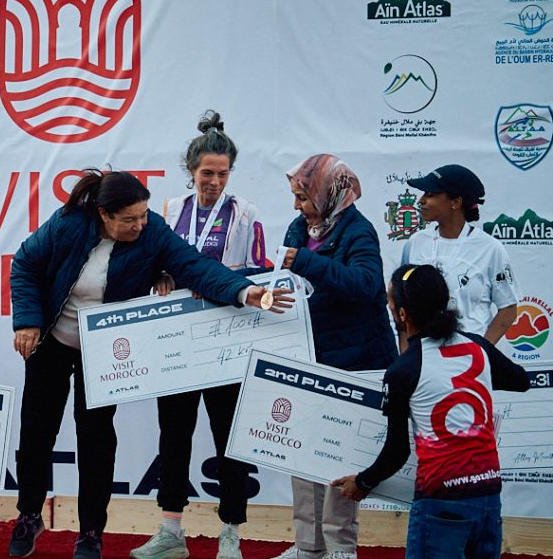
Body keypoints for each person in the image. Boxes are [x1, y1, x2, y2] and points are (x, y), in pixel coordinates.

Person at [8, 169, 292, 559]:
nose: (140, 225)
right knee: (36, 432)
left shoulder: (153, 231)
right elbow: (25, 264)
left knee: (96, 439)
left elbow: (195, 266)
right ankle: (28, 515)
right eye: (130, 219)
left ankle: (90, 532)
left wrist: (244, 291)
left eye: (143, 215)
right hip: (53, 340)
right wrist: (27, 321)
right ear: (104, 215)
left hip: (104, 350)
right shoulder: (68, 222)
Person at [132, 111, 268, 559]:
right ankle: (171, 530)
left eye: (222, 174)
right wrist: (162, 275)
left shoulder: (245, 213)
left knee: (230, 437)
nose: (214, 182)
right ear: (191, 171)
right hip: (178, 340)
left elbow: (259, 272)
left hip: (227, 339)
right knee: (174, 434)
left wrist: (219, 280)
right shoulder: (170, 210)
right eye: (207, 173)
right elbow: (153, 262)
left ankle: (231, 534)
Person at [332, 264, 529, 559]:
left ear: (402, 314)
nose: (388, 305)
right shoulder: (478, 346)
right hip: (488, 496)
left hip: (441, 501)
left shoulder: (403, 370)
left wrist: (362, 483)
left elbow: (397, 450)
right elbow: (521, 380)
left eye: (390, 299)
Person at [271, 154, 398, 559]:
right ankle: (308, 545)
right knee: (301, 449)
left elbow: (366, 284)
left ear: (328, 194)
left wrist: (307, 262)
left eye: (302, 197)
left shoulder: (359, 231)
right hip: (308, 356)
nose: (296, 206)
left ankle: (341, 546)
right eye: (295, 196)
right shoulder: (299, 228)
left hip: (355, 361)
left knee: (337, 453)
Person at [401, 165, 519, 344]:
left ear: (456, 202)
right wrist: (407, 353)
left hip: (471, 355)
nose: (421, 200)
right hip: (425, 353)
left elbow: (508, 309)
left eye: (430, 195)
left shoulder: (490, 248)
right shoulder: (416, 242)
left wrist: (482, 350)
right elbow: (401, 301)